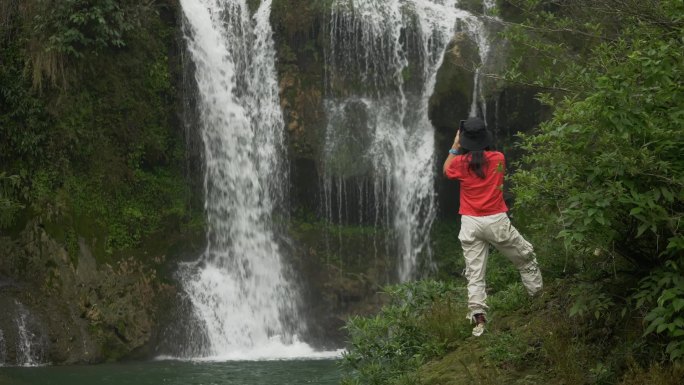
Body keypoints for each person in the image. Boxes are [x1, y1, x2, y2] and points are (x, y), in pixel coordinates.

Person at [443, 117, 543, 337]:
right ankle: (538, 298)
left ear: (465, 140)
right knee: (525, 258)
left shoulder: (460, 163)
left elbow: (446, 169)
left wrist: (455, 145)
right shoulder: (499, 158)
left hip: (470, 222)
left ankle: (479, 319)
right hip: (496, 220)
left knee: (475, 274)